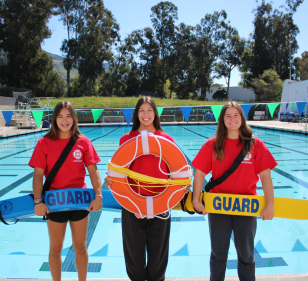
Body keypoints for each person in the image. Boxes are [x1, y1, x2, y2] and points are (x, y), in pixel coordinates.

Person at [191, 101, 277, 281]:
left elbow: (266, 177)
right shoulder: (212, 145)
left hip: (246, 207)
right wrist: (196, 200)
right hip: (219, 206)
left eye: (236, 115)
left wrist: (270, 205)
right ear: (222, 120)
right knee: (218, 254)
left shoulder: (256, 145)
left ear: (242, 118)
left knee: (246, 255)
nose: (232, 119)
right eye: (228, 116)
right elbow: (199, 174)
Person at [106, 96, 189, 281]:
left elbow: (176, 174)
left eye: (149, 110)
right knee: (134, 257)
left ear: (155, 113)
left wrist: (183, 185)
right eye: (141, 110)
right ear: (136, 114)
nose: (145, 114)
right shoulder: (126, 139)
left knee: (158, 257)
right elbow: (119, 172)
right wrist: (111, 181)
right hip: (132, 204)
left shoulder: (166, 139)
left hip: (161, 204)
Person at [29, 101, 102, 281]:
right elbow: (38, 175)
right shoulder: (44, 143)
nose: (64, 120)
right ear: (54, 119)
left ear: (74, 118)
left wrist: (99, 195)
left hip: (79, 200)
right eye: (60, 116)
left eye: (68, 116)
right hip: (54, 202)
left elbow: (93, 171)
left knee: (80, 246)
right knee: (55, 247)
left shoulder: (83, 142)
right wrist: (38, 201)